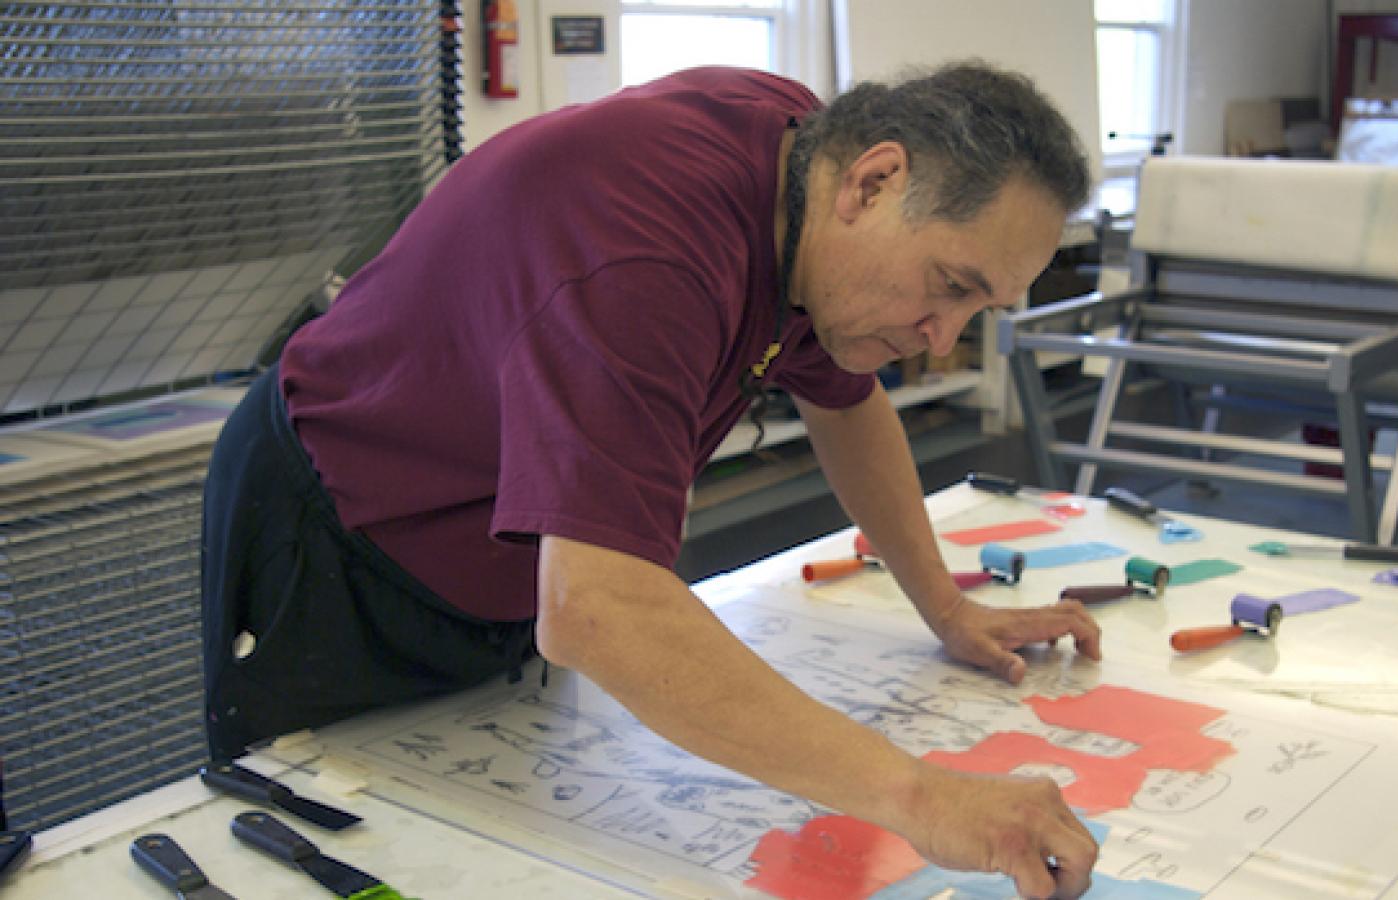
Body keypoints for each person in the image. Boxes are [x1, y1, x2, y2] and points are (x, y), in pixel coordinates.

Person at [201, 60, 1102, 898]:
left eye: (977, 307)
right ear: (873, 181)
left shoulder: (809, 183)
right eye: (947, 286)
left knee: (498, 841)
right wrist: (922, 799)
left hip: (510, 566)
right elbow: (597, 611)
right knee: (341, 847)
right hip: (345, 527)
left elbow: (845, 400)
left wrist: (945, 607)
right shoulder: (645, 254)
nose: (943, 338)